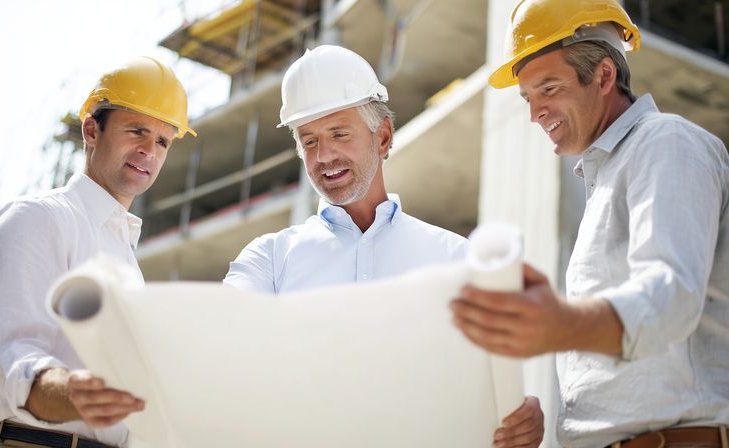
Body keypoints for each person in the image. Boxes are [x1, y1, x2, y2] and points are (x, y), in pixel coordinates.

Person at [224, 44, 545, 448]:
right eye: (309, 141)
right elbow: (223, 342)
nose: (324, 156)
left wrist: (522, 416)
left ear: (383, 137)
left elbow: (496, 387)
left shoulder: (458, 258)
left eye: (339, 134)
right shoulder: (267, 260)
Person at [450, 0, 729, 447]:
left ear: (603, 75)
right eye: (527, 97)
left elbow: (670, 297)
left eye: (549, 88)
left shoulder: (665, 143)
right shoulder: (608, 179)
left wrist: (560, 323)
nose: (535, 113)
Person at [0, 57, 196, 448]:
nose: (149, 151)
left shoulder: (122, 246)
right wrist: (73, 392)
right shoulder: (36, 218)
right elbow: (17, 358)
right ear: (91, 130)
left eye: (162, 141)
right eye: (136, 131)